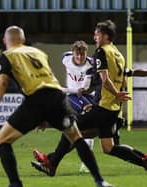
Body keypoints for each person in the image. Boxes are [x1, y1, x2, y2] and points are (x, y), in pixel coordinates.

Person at [0, 25, 113, 187]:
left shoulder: (7, 55)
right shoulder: (38, 53)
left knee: (1, 140)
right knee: (76, 137)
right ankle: (100, 181)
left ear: (5, 41)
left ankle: (15, 184)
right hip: (58, 97)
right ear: (23, 40)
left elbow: (2, 82)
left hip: (37, 98)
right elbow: (48, 77)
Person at [31, 20, 147, 178]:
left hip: (103, 107)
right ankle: (144, 160)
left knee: (72, 130)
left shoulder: (101, 52)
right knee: (109, 148)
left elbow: (104, 79)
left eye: (97, 33)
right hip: (113, 111)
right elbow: (128, 72)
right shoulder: (117, 54)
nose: (95, 37)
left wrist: (115, 92)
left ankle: (51, 164)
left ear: (105, 35)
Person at [61, 40, 96, 173]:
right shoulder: (66, 59)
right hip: (72, 95)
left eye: (82, 55)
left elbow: (88, 86)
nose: (80, 57)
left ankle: (85, 162)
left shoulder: (90, 64)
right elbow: (65, 54)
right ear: (73, 53)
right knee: (85, 113)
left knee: (88, 127)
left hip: (88, 95)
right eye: (77, 54)